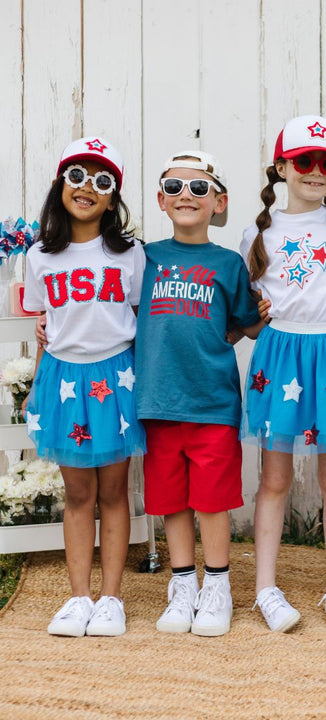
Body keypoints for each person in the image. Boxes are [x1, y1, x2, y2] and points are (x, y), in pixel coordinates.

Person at [239, 115, 326, 633]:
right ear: (282, 167)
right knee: (275, 476)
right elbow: (246, 316)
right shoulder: (258, 231)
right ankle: (266, 588)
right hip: (281, 354)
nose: (316, 171)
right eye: (304, 161)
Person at [135, 150, 261, 637]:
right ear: (161, 201)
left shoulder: (228, 264)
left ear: (218, 201)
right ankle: (183, 583)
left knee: (211, 500)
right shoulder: (144, 258)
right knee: (171, 499)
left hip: (212, 401)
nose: (185, 195)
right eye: (174, 188)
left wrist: (268, 311)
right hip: (158, 400)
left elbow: (245, 324)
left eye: (198, 188)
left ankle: (218, 585)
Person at [24, 136, 146, 637]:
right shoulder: (38, 256)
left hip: (115, 376)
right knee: (78, 494)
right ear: (60, 185)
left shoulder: (130, 254)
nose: (87, 188)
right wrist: (35, 384)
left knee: (114, 491)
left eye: (102, 181)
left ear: (113, 197)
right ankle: (78, 598)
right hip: (64, 378)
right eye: (77, 176)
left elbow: (139, 314)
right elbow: (45, 323)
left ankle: (111, 598)